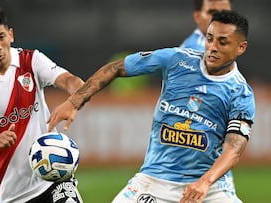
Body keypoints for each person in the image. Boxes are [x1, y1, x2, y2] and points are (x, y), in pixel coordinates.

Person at [47, 10, 254, 203]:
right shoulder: (177, 60)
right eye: (210, 38)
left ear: (241, 48)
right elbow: (117, 67)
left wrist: (206, 181)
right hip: (154, 180)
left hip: (210, 189)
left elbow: (234, 148)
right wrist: (74, 101)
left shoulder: (240, 93)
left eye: (222, 42)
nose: (212, 47)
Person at [0, 7, 84, 203]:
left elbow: (71, 81)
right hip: (11, 194)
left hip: (53, 180)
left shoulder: (31, 60)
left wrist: (74, 101)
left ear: (11, 35)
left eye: (1, 37)